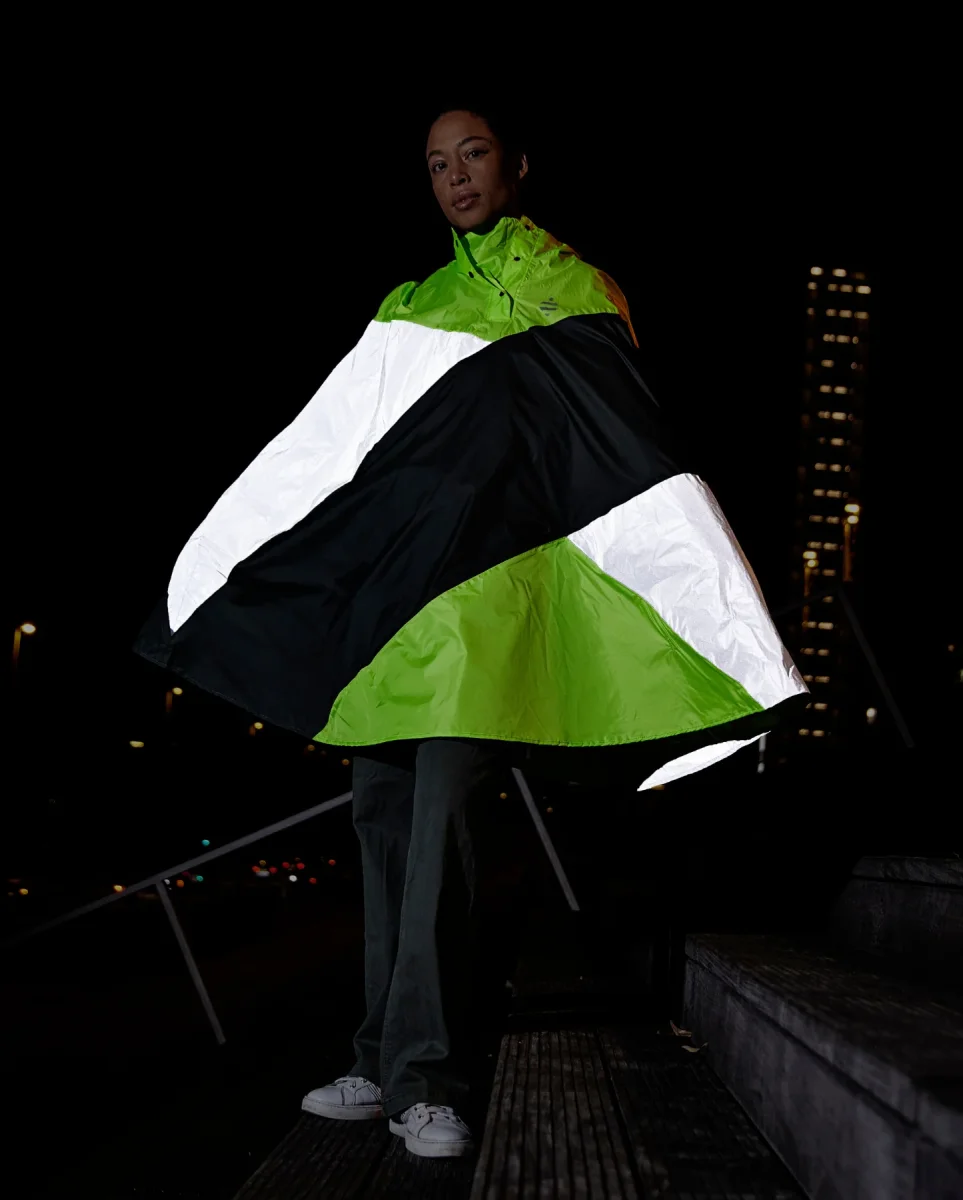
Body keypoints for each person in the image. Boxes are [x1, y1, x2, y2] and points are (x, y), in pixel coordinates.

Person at [135, 105, 806, 1159]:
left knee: (443, 837)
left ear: (518, 164)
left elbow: (615, 459)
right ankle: (378, 1059)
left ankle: (429, 1077)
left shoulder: (577, 289)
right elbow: (340, 460)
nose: (455, 177)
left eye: (473, 155)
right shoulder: (409, 308)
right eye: (436, 164)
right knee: (384, 834)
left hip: (487, 619)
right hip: (397, 624)